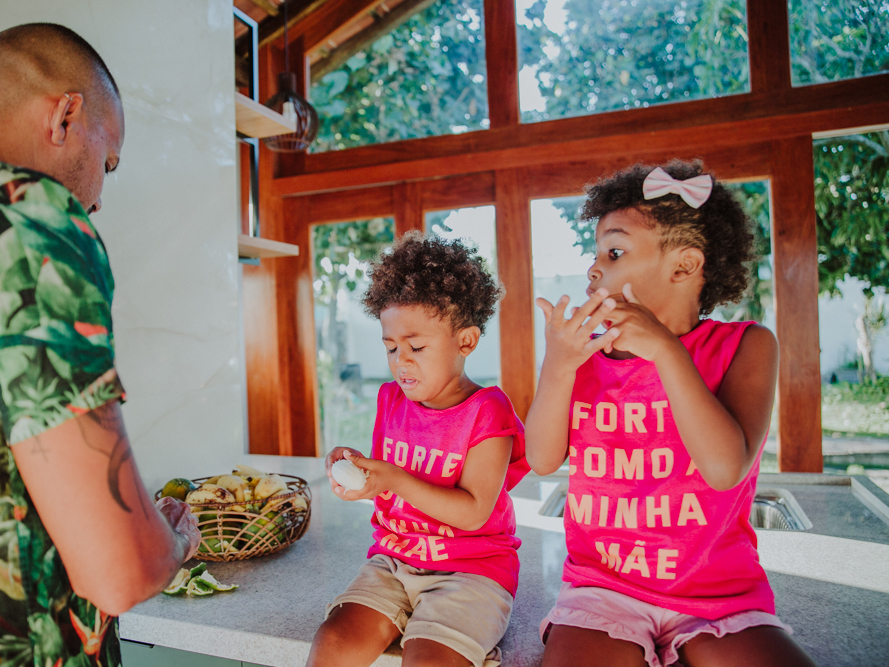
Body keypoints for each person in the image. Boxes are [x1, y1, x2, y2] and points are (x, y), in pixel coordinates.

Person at [0, 23, 200, 667]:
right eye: (108, 163)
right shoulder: (26, 219)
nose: (97, 200)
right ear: (65, 115)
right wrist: (174, 542)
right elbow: (118, 571)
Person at [525, 161, 816, 667]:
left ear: (684, 266)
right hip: (602, 589)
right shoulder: (584, 356)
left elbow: (725, 468)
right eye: (595, 253)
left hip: (719, 595)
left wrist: (665, 349)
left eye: (614, 252)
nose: (593, 268)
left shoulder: (747, 346)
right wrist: (558, 365)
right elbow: (542, 459)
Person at [306, 233, 530, 667]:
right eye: (391, 347)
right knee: (333, 641)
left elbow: (474, 512)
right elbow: (390, 486)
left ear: (466, 341)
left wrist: (393, 477)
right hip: (393, 560)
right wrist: (362, 474)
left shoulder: (488, 411)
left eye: (417, 347)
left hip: (472, 571)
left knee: (429, 660)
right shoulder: (391, 398)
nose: (401, 361)